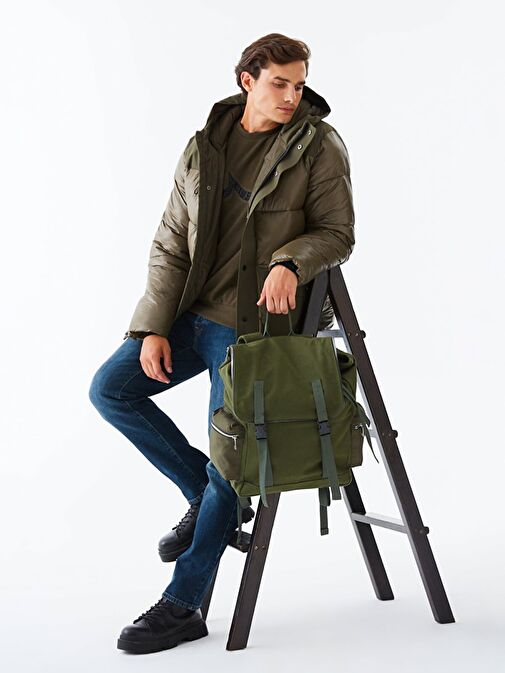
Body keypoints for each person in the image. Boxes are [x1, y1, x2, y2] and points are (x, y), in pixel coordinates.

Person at [88, 32, 355, 654]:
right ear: (247, 80)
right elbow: (170, 243)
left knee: (229, 459)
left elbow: (338, 232)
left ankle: (183, 605)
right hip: (191, 317)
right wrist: (153, 327)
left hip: (253, 330)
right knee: (111, 391)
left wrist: (290, 260)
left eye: (299, 84)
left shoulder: (318, 145)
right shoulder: (204, 145)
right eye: (279, 83)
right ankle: (203, 492)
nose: (291, 96)